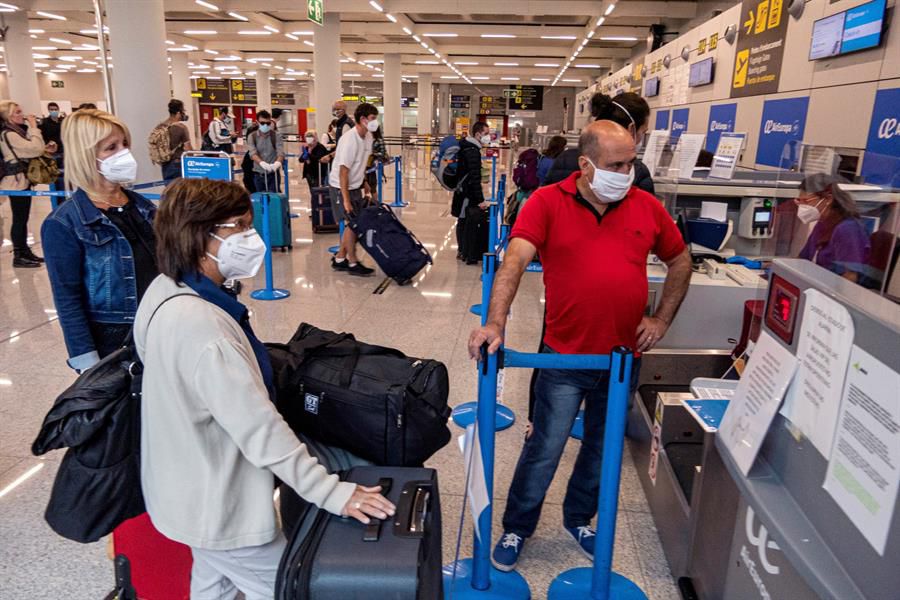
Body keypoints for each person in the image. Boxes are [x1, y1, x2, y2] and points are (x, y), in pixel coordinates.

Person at [136, 178, 395, 598]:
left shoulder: (165, 288)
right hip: (218, 505)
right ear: (199, 235)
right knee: (285, 588)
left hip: (185, 485)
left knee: (214, 586)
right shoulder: (204, 329)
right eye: (238, 226)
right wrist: (332, 493)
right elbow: (259, 429)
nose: (251, 236)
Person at [468, 121, 692, 572]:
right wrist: (495, 322)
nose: (627, 173)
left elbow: (681, 259)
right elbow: (515, 260)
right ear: (586, 165)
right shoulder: (547, 202)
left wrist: (661, 319)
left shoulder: (646, 206)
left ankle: (578, 519)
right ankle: (517, 526)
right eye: (617, 165)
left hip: (622, 361)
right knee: (545, 447)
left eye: (631, 163)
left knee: (601, 450)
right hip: (564, 356)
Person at [41, 108, 158, 372]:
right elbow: (67, 298)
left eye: (125, 144)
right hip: (114, 346)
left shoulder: (144, 208)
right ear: (86, 156)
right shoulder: (64, 223)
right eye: (111, 148)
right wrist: (87, 363)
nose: (124, 153)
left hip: (159, 329)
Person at [546, 92, 654, 195]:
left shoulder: (565, 159)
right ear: (631, 129)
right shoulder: (637, 172)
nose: (624, 169)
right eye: (643, 132)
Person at [328, 102, 378, 277]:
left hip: (355, 185)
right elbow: (343, 171)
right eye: (373, 118)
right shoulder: (349, 139)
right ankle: (353, 261)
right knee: (353, 225)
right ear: (363, 119)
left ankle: (340, 258)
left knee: (355, 224)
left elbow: (361, 163)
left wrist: (364, 183)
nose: (375, 122)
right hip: (340, 187)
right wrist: (346, 200)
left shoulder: (368, 137)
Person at [796, 173, 870, 282]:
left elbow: (850, 277)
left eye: (806, 201)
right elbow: (802, 260)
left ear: (828, 199)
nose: (802, 206)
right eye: (799, 201)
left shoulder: (847, 229)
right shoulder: (822, 224)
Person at [0, 100, 46, 268]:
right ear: (9, 116)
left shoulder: (16, 132)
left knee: (22, 217)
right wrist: (34, 127)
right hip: (15, 182)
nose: (22, 115)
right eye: (18, 112)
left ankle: (24, 251)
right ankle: (19, 254)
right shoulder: (10, 134)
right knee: (20, 218)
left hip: (21, 180)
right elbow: (36, 148)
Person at [452, 121, 492, 264]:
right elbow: (474, 178)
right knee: (464, 220)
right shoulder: (472, 151)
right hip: (467, 193)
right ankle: (464, 251)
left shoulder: (467, 146)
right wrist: (480, 199)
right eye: (486, 133)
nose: (488, 137)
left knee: (463, 220)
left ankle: (463, 250)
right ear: (478, 134)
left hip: (462, 191)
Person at [247, 110, 284, 193]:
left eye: (268, 123)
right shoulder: (252, 136)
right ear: (257, 122)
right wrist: (262, 163)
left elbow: (280, 152)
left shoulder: (276, 135)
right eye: (262, 123)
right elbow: (252, 153)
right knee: (260, 197)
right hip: (258, 174)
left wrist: (277, 163)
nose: (265, 125)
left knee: (274, 197)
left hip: (273, 174)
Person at [158, 99, 193, 183]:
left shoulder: (161, 126)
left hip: (165, 165)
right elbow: (188, 150)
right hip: (178, 165)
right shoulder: (181, 128)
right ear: (178, 113)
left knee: (169, 188)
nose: (183, 114)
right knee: (180, 189)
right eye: (183, 111)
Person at [299, 129, 330, 196]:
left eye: (311, 137)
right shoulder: (307, 148)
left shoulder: (320, 147)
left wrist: (309, 154)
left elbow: (318, 159)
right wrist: (305, 155)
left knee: (317, 193)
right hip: (309, 174)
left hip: (318, 174)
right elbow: (301, 160)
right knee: (312, 192)